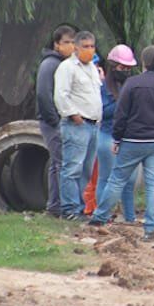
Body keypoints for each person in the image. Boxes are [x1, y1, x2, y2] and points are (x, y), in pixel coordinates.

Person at [90, 46, 154, 240]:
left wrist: (117, 138)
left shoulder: (132, 84)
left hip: (133, 140)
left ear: (143, 63)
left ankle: (99, 218)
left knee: (116, 179)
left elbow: (121, 114)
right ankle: (150, 229)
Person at [54, 31, 102, 220]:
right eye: (86, 47)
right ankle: (69, 209)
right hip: (77, 124)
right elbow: (61, 95)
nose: (89, 50)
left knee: (86, 170)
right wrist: (74, 115)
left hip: (93, 125)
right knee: (72, 168)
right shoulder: (67, 68)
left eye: (92, 46)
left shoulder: (91, 68)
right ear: (76, 48)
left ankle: (80, 207)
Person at [93, 44, 138, 222]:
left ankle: (129, 217)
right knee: (107, 176)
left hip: (128, 137)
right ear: (113, 66)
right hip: (107, 135)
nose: (125, 71)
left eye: (128, 68)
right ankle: (102, 215)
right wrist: (122, 104)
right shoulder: (103, 87)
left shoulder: (131, 85)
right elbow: (103, 111)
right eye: (122, 67)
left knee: (130, 180)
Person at [36, 25, 75, 218]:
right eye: (66, 42)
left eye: (73, 42)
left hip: (61, 120)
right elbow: (43, 94)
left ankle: (54, 206)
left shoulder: (67, 64)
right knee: (63, 163)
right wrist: (55, 121)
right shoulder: (50, 64)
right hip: (52, 122)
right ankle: (66, 209)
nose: (71, 46)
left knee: (56, 164)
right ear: (57, 45)